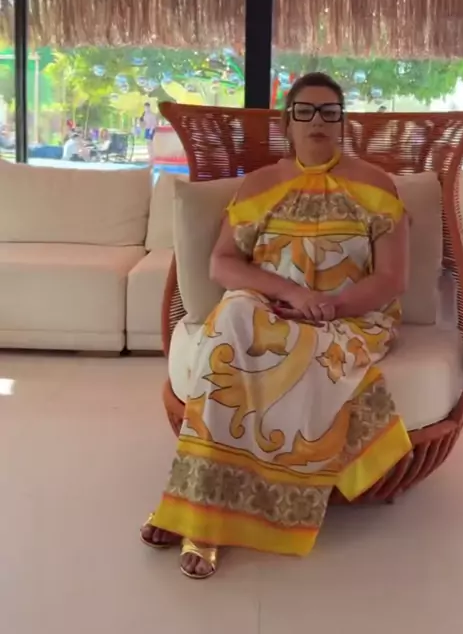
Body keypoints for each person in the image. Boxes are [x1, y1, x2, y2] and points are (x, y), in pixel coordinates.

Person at [141, 72, 411, 579]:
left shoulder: (378, 185)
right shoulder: (261, 185)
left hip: (349, 319)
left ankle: (202, 521)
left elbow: (392, 278)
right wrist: (293, 294)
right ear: (288, 123)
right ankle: (198, 508)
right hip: (270, 309)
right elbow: (222, 263)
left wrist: (329, 305)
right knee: (233, 318)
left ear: (343, 123)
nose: (317, 121)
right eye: (305, 111)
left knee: (277, 347)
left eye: (329, 112)